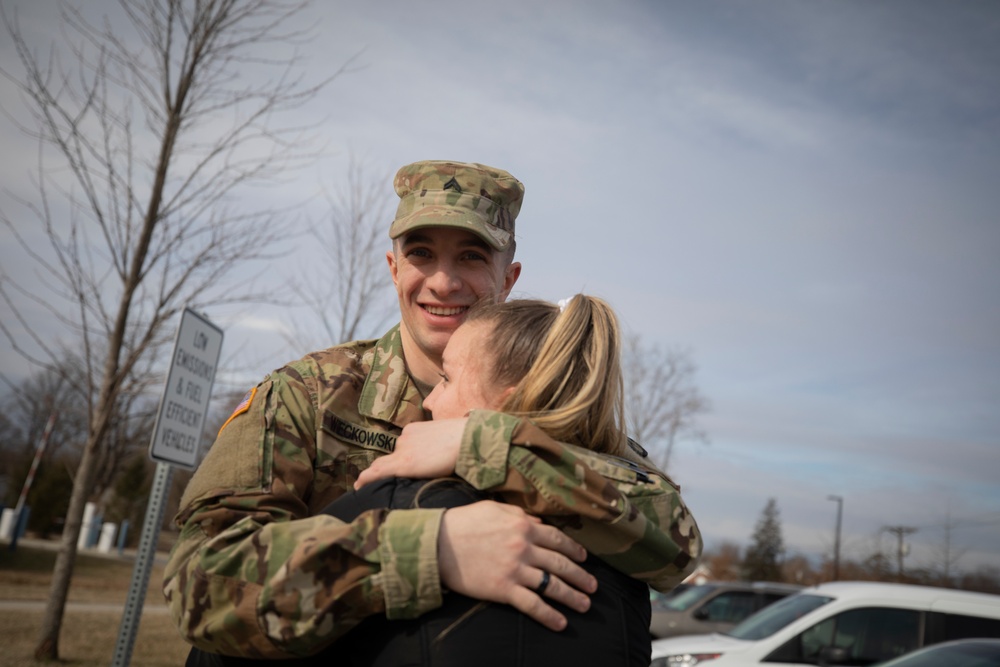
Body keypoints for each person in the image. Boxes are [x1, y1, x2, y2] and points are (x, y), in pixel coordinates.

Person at [164, 160, 701, 659]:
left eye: (471, 256)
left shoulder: (548, 405)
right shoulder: (308, 395)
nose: (443, 282)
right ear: (394, 268)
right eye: (421, 254)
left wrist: (490, 450)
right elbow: (200, 584)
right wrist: (429, 550)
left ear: (508, 279)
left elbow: (674, 543)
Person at [329, 294, 687, 666]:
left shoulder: (393, 502)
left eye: (447, 379)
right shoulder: (629, 546)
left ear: (502, 407)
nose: (430, 401)